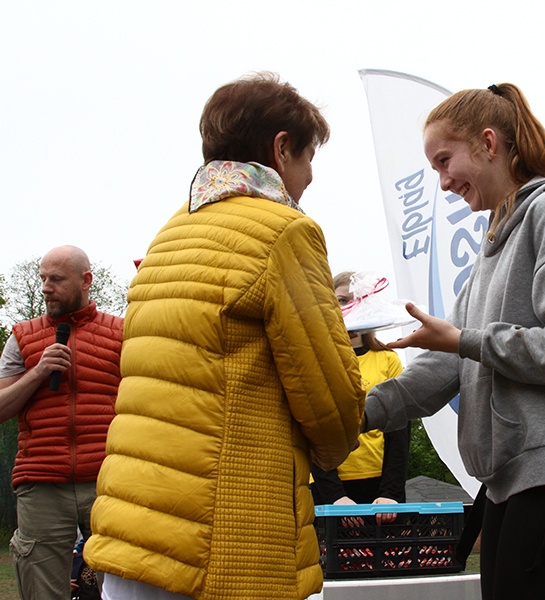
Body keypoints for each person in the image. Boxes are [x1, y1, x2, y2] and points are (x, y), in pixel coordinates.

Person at [84, 72, 366, 599]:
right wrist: (341, 439)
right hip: (224, 542)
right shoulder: (284, 230)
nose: (309, 179)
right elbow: (331, 405)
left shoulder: (169, 233)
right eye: (309, 159)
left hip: (135, 531)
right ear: (281, 150)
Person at [363, 82, 545, 599]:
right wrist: (357, 413)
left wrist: (467, 340)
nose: (444, 183)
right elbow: (447, 363)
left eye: (446, 161)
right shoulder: (491, 248)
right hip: (510, 475)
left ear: (489, 144)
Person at [0, 245, 123, 600]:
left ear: (86, 281)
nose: (45, 287)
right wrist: (38, 372)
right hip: (40, 482)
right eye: (43, 279)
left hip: (107, 479)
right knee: (40, 588)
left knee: (121, 583)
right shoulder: (22, 337)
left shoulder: (122, 334)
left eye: (56, 279)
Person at [310, 272, 409, 514]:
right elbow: (311, 430)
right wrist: (335, 496)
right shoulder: (315, 360)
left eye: (359, 299)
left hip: (379, 486)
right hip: (327, 486)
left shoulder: (387, 359)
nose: (350, 307)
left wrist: (390, 493)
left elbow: (399, 430)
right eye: (342, 300)